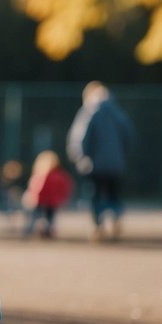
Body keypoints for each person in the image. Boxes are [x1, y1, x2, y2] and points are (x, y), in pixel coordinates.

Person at [67, 81, 135, 241]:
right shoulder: (119, 113)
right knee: (113, 194)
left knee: (95, 196)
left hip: (95, 164)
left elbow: (80, 137)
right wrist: (122, 156)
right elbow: (129, 136)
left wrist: (80, 156)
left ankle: (98, 226)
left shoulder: (89, 111)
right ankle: (115, 216)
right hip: (116, 163)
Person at [21, 150, 74, 238]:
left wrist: (31, 197)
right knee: (50, 217)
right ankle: (48, 230)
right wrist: (61, 198)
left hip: (40, 201)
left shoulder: (40, 175)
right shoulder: (60, 175)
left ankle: (31, 229)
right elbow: (65, 188)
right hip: (52, 202)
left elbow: (35, 188)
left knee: (35, 216)